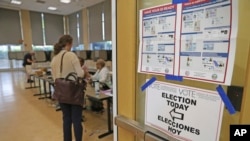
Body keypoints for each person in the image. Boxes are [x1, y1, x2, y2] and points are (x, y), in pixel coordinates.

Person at [51, 35, 84, 141]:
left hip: (61, 92)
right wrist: (84, 72)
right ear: (69, 43)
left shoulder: (54, 58)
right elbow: (80, 74)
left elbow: (54, 77)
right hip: (73, 92)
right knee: (76, 120)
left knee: (66, 119)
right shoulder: (71, 55)